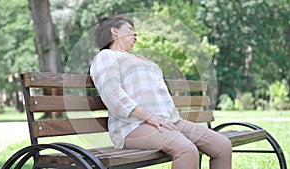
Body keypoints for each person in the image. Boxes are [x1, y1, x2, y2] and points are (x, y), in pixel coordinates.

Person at [90, 15, 232, 169]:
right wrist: (148, 116)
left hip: (167, 121)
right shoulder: (106, 57)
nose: (136, 35)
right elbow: (112, 94)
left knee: (222, 145)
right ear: (115, 31)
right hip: (132, 126)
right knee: (187, 150)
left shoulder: (140, 59)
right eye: (130, 29)